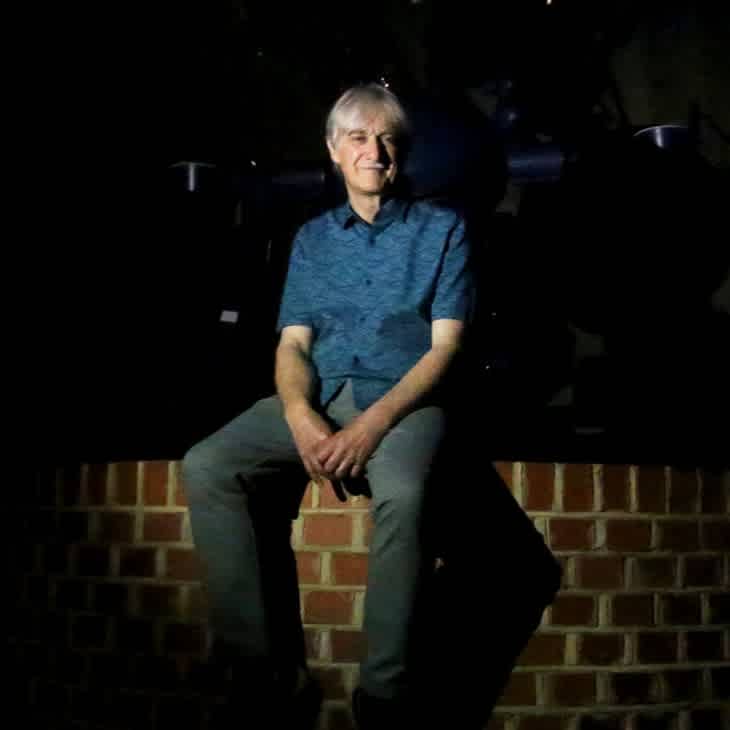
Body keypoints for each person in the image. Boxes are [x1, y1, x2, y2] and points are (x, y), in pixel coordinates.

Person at [182, 82, 475, 729]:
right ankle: (260, 677)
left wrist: (372, 425)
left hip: (403, 401)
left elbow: (446, 347)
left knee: (404, 491)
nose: (376, 151)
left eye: (388, 139)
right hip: (322, 392)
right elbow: (293, 343)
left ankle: (385, 697)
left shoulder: (443, 229)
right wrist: (298, 414)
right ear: (334, 151)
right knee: (207, 464)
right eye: (359, 138)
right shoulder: (312, 240)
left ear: (403, 152)